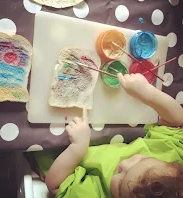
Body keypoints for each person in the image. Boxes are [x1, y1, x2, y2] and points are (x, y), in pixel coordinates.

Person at [34, 73, 183, 198]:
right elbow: (177, 121)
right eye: (140, 160)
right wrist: (148, 93)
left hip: (59, 152)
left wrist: (77, 148)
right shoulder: (171, 157)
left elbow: (55, 186)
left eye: (120, 185)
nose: (123, 165)